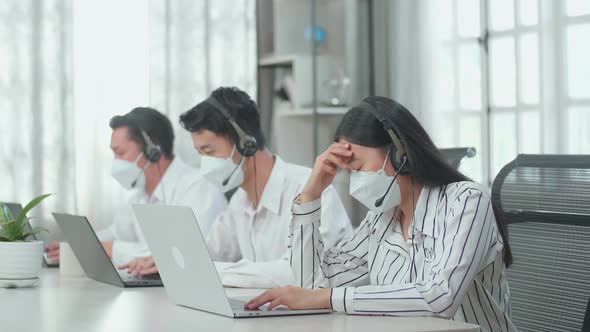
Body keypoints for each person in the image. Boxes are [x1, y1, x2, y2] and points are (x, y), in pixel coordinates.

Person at [245, 96, 516, 332]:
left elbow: (439, 297)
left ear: (400, 155)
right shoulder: (380, 218)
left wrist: (329, 299)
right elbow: (310, 287)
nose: (353, 179)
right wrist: (310, 195)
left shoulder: (466, 201)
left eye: (356, 165)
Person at [125, 87, 352, 287]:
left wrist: (212, 271)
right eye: (200, 153)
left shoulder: (311, 190)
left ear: (246, 143)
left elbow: (298, 273)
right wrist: (168, 261)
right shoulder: (239, 202)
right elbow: (210, 253)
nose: (205, 164)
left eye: (210, 152)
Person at [45, 107, 228, 266]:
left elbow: (188, 254)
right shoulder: (140, 195)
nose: (116, 162)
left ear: (153, 150)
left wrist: (107, 249)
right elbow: (116, 233)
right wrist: (76, 246)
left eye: (121, 153)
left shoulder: (199, 187)